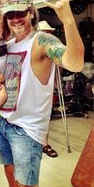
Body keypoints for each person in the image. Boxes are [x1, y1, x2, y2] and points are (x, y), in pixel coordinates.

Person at [0, 0, 84, 187]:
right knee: (11, 178)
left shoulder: (42, 41)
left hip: (27, 130)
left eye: (20, 12)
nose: (15, 19)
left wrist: (68, 20)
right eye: (10, 14)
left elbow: (75, 62)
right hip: (5, 123)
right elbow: (8, 85)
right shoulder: (7, 46)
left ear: (31, 12)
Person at [37, 20, 58, 158]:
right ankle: (35, 142)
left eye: (48, 32)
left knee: (45, 115)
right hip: (32, 88)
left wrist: (56, 82)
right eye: (43, 32)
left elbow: (58, 68)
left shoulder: (52, 47)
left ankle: (45, 144)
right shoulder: (32, 47)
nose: (46, 34)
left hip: (46, 88)